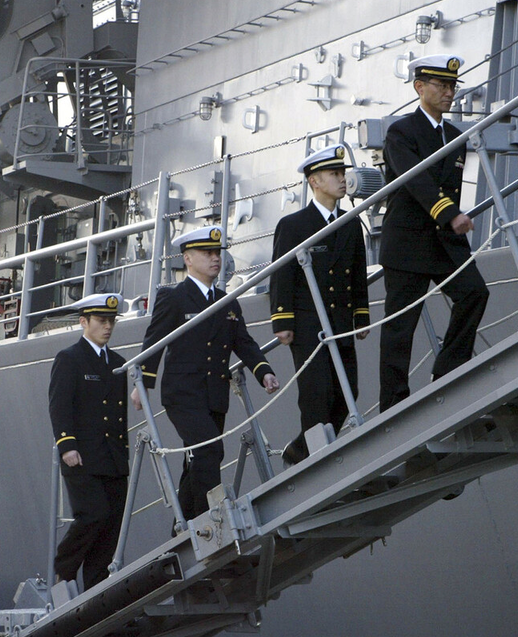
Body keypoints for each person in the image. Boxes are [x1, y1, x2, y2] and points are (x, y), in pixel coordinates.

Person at [132, 227, 280, 521]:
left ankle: (182, 525)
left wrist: (264, 372)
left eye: (217, 253)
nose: (216, 259)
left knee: (197, 459)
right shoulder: (173, 298)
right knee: (210, 451)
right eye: (207, 254)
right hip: (183, 394)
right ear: (188, 259)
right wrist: (143, 384)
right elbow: (154, 342)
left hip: (213, 394)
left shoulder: (228, 301)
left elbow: (244, 343)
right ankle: (209, 522)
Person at [379, 55, 491, 413]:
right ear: (419, 87)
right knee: (401, 329)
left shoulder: (456, 138)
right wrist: (449, 213)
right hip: (409, 240)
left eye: (452, 86)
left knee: (474, 292)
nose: (449, 92)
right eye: (441, 86)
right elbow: (416, 179)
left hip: (444, 241)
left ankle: (448, 374)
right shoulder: (401, 132)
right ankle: (393, 405)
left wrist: (452, 218)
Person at [270, 145, 371, 465]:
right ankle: (314, 460)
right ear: (314, 181)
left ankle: (301, 452)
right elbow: (282, 275)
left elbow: (357, 273)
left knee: (347, 392)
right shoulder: (294, 225)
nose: (343, 180)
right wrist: (282, 321)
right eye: (335, 175)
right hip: (308, 323)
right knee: (316, 394)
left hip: (340, 320)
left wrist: (361, 315)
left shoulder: (351, 223)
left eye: (343, 173)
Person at [49, 293, 129, 591]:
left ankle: (97, 589)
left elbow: (118, 415)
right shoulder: (69, 359)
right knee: (92, 515)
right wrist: (66, 445)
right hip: (82, 456)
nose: (108, 327)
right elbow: (59, 405)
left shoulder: (119, 363)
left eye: (111, 321)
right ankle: (64, 571)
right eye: (101, 321)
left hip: (113, 459)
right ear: (84, 322)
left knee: (110, 528)